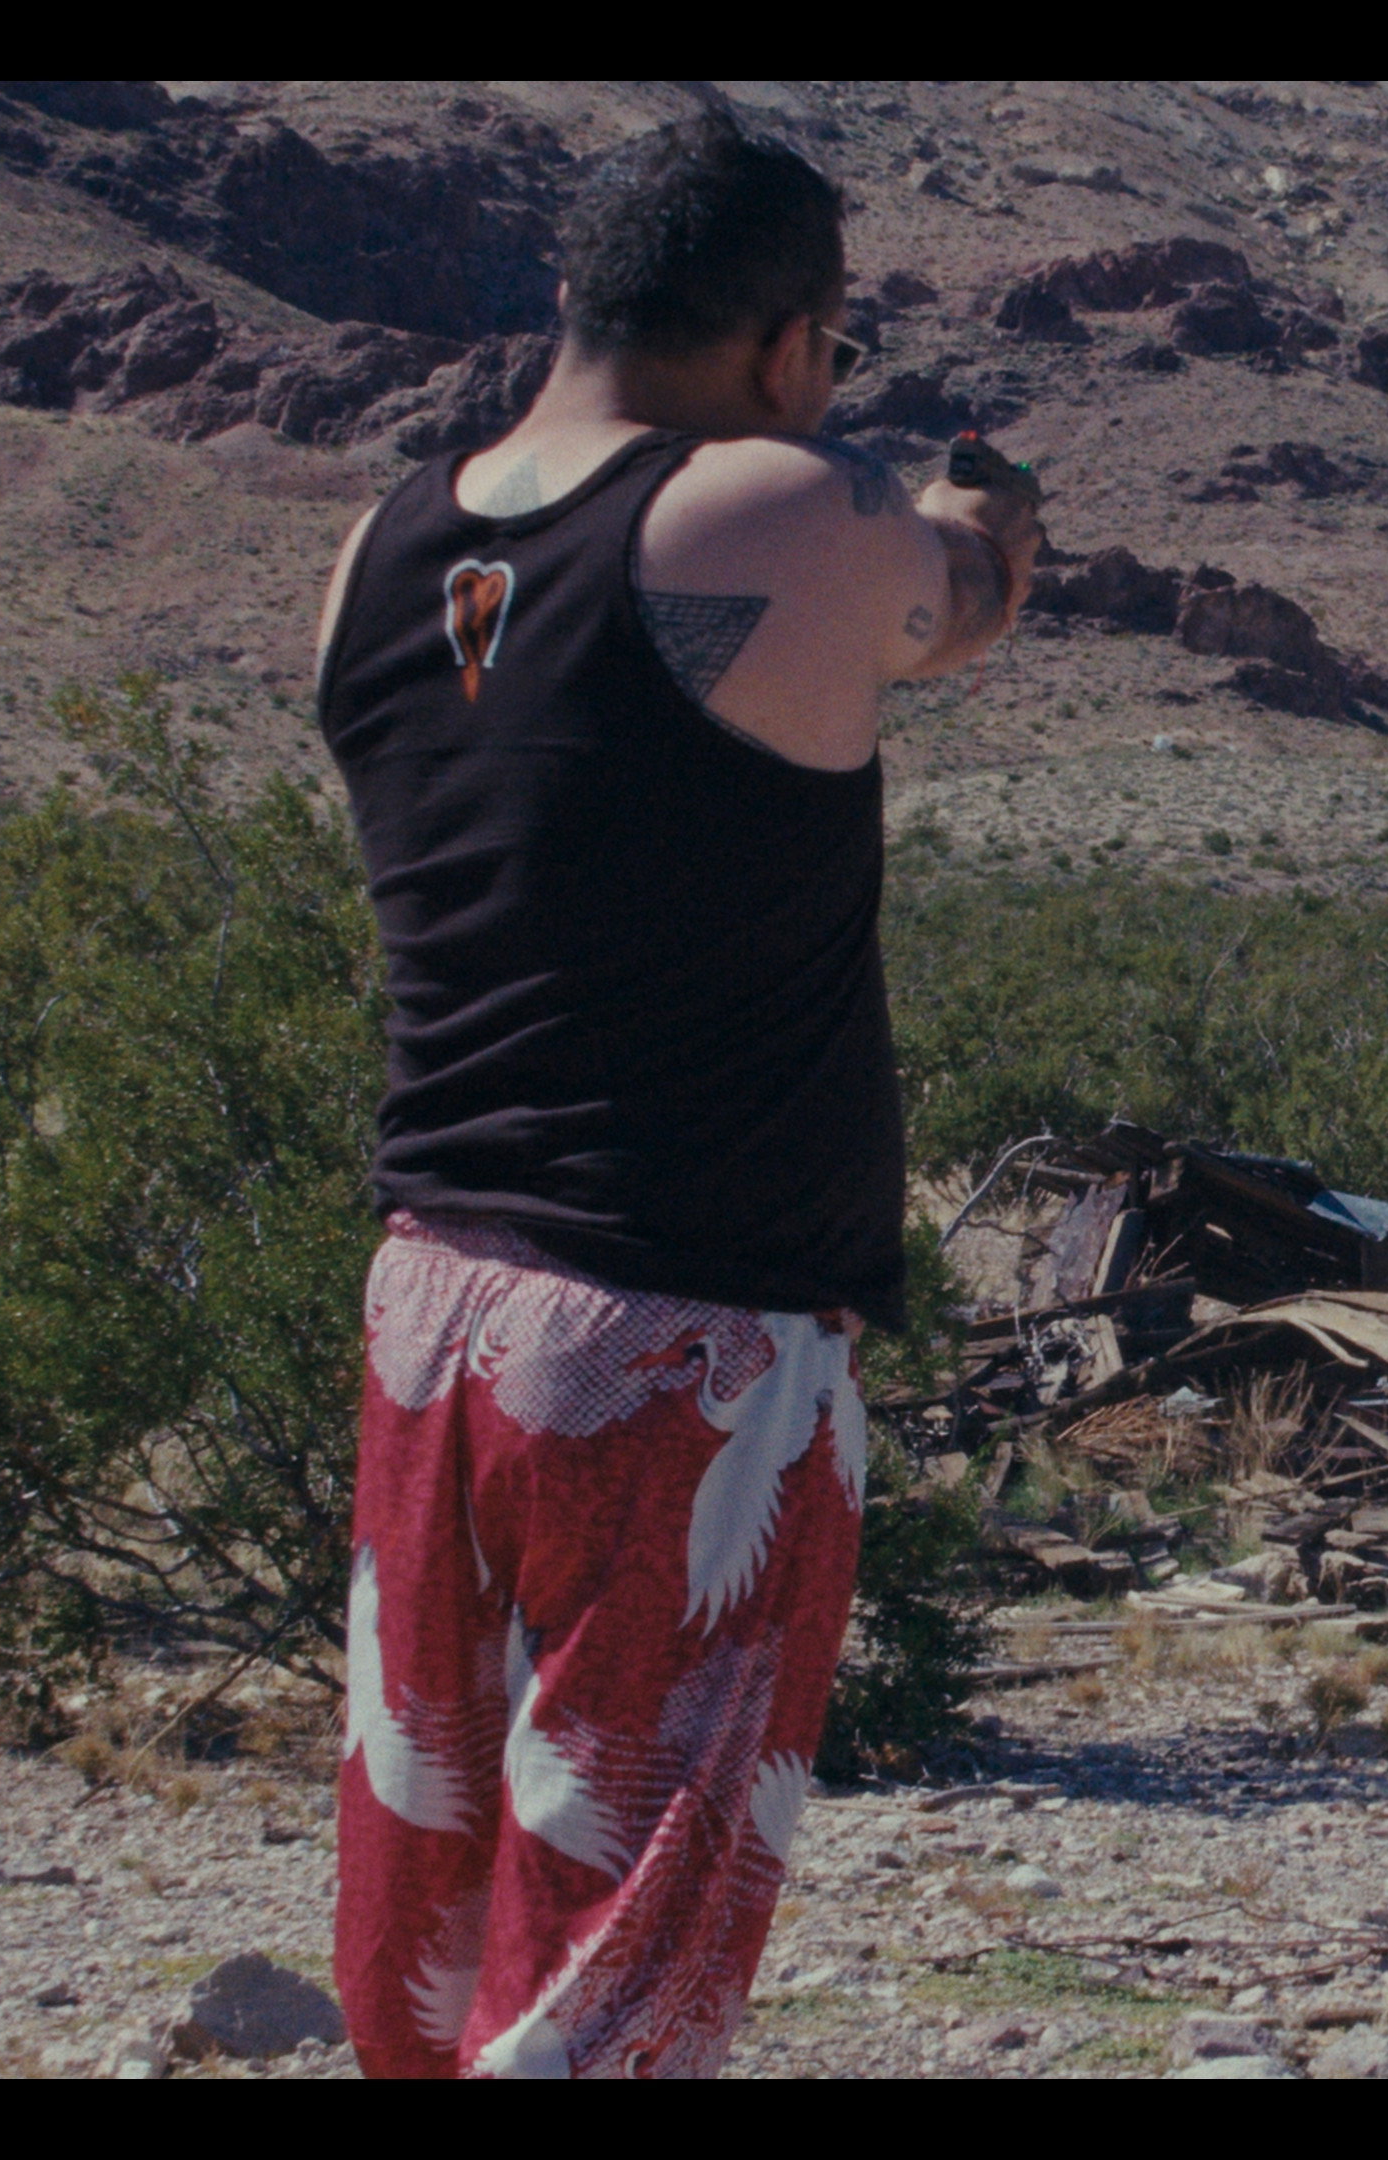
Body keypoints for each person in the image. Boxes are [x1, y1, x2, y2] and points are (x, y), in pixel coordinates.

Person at [307, 110, 1039, 2079]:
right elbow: (953, 602)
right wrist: (985, 517)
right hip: (679, 1335)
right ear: (795, 344)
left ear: (575, 298)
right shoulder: (777, 509)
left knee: (427, 1917)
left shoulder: (380, 548)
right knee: (620, 1960)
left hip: (431, 1308)